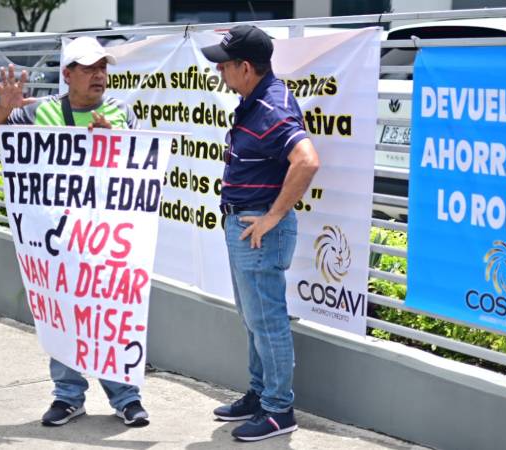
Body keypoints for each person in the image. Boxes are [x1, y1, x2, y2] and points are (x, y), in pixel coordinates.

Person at [0, 36, 148, 428]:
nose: (99, 75)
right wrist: (3, 109)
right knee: (63, 312)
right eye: (89, 68)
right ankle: (68, 396)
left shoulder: (122, 113)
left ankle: (126, 397)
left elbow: (140, 166)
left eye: (103, 67)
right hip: (58, 237)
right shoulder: (41, 113)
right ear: (67, 75)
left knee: (109, 314)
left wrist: (116, 143)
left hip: (108, 239)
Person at [200, 25, 320, 442]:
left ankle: (278, 409)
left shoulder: (271, 106)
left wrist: (271, 218)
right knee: (253, 319)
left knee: (267, 321)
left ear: (245, 67)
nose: (219, 71)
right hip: (244, 225)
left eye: (224, 64)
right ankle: (260, 393)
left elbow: (306, 160)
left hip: (257, 230)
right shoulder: (255, 100)